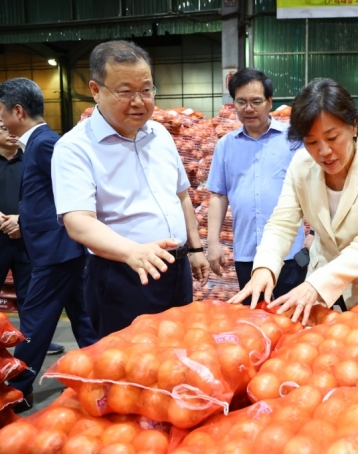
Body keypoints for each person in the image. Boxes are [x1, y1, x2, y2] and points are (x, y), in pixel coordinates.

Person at [52, 40, 210, 337]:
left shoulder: (160, 134)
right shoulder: (75, 148)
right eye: (125, 91)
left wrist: (196, 248)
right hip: (123, 275)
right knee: (130, 368)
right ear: (96, 90)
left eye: (146, 90)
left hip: (176, 269)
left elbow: (181, 195)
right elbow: (78, 222)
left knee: (178, 356)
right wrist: (132, 252)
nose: (139, 101)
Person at [229, 78, 358, 324]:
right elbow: (282, 224)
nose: (324, 151)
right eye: (312, 142)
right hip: (325, 287)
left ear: (354, 127)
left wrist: (316, 285)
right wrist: (265, 268)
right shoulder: (300, 166)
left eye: (332, 137)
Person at [0, 78, 99, 413]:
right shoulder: (39, 142)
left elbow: (70, 193)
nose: (1, 119)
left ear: (18, 111)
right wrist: (23, 220)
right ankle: (102, 377)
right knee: (83, 320)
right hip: (62, 251)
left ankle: (14, 391)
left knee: (36, 323)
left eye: (2, 111)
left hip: (56, 252)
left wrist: (25, 223)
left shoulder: (45, 144)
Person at [206, 68, 310, 305]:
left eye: (256, 101)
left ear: (269, 102)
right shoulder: (226, 145)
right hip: (247, 254)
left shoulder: (293, 140)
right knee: (254, 319)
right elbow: (218, 196)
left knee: (290, 320)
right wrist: (212, 243)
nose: (248, 108)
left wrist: (314, 233)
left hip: (290, 253)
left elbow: (316, 188)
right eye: (241, 102)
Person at [0, 120, 64, 356]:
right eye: (2, 128)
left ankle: (32, 342)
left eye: (8, 127)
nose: (8, 132)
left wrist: (20, 220)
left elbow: (44, 195)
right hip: (1, 237)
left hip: (27, 238)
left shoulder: (29, 158)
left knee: (30, 296)